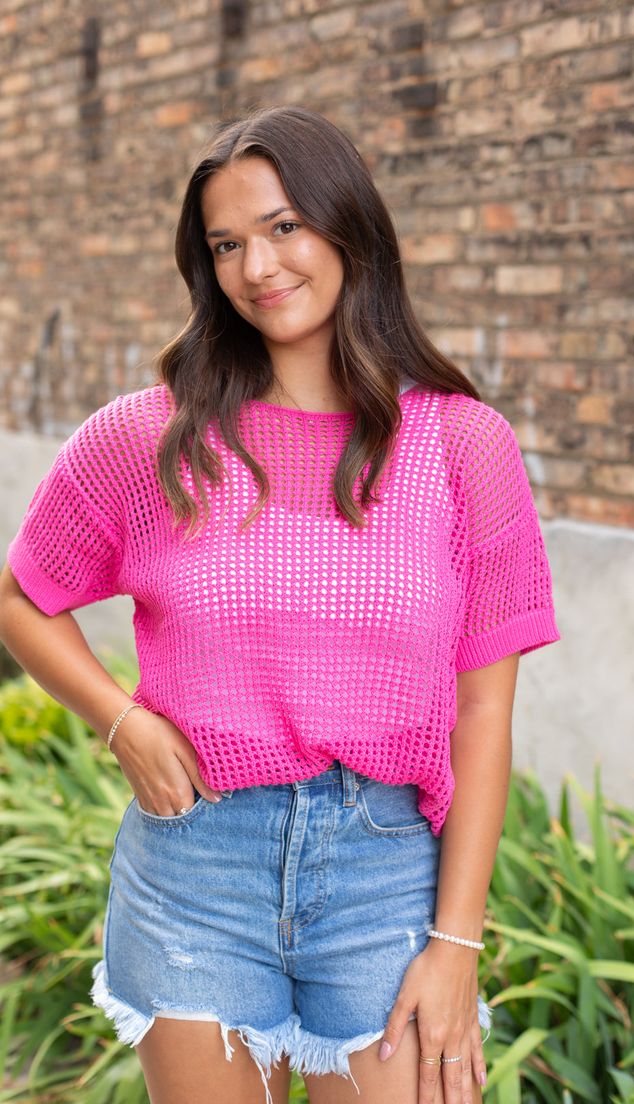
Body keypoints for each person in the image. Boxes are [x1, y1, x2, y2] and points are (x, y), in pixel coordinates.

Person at [0, 105, 560, 1104]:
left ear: (348, 227)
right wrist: (121, 718)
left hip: (384, 873)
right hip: (195, 870)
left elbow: (483, 712)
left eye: (283, 227)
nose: (256, 266)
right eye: (225, 244)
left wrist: (456, 942)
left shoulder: (461, 446)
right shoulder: (149, 437)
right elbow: (22, 595)